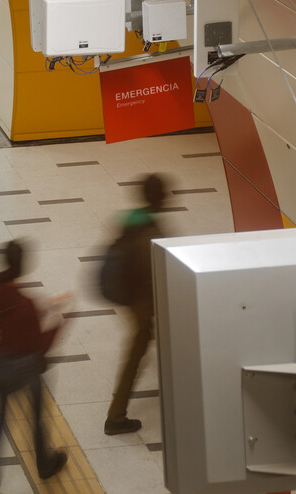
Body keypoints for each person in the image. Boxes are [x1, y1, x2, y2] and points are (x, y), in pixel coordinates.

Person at [0, 241, 69, 492]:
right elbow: (38, 345)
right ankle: (45, 463)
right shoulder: (25, 304)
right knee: (37, 413)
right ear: (23, 265)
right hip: (24, 370)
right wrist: (59, 320)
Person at [103, 173, 167, 435]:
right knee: (135, 353)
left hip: (130, 297)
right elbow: (151, 277)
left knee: (141, 344)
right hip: (140, 301)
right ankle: (115, 417)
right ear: (161, 199)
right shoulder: (150, 234)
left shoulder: (135, 220)